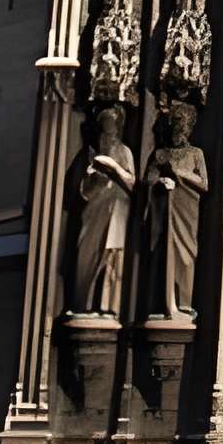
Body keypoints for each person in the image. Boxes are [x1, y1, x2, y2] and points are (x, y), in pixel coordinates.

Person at [144, 101, 208, 321]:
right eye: (175, 123)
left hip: (187, 209)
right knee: (162, 252)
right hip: (164, 209)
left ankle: (183, 304)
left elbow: (204, 183)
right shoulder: (161, 154)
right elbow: (149, 179)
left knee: (186, 256)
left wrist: (180, 173)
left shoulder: (195, 153)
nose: (178, 129)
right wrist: (160, 181)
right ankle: (161, 303)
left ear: (189, 127)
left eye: (182, 124)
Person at [71, 105, 135, 316]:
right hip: (96, 207)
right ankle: (85, 304)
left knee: (111, 255)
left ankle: (107, 306)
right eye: (104, 124)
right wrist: (93, 176)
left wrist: (115, 168)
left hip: (116, 207)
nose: (108, 130)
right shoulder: (91, 153)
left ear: (117, 127)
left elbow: (132, 183)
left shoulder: (124, 151)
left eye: (111, 124)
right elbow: (83, 192)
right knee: (88, 253)